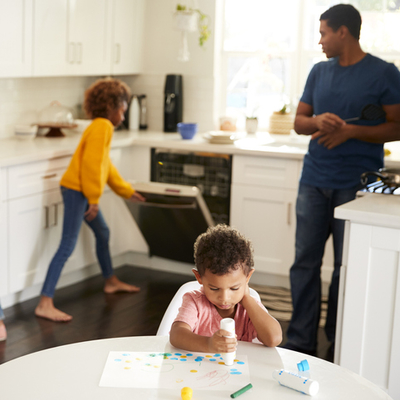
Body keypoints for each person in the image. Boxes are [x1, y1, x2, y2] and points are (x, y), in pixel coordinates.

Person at [284, 4, 400, 356]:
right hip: (313, 181)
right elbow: (299, 122)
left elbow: (397, 125)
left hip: (356, 187)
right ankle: (299, 341)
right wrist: (319, 122)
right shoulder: (319, 72)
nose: (320, 41)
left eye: (323, 33)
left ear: (342, 32)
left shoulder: (384, 73)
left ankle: (340, 340)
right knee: (305, 263)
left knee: (345, 268)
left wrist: (350, 131)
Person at [35, 78, 145, 322]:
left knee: (103, 232)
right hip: (77, 191)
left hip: (81, 189)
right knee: (68, 243)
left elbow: (105, 166)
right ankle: (45, 302)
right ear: (111, 107)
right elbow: (92, 166)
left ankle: (110, 281)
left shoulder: (99, 126)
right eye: (123, 111)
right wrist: (93, 199)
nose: (123, 117)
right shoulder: (102, 126)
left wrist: (126, 191)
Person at [169, 224, 282, 353]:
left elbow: (274, 339)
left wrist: (246, 298)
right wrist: (209, 344)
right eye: (214, 288)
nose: (224, 298)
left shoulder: (248, 309)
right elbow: (176, 335)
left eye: (234, 288)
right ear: (199, 277)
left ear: (248, 277)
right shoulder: (195, 302)